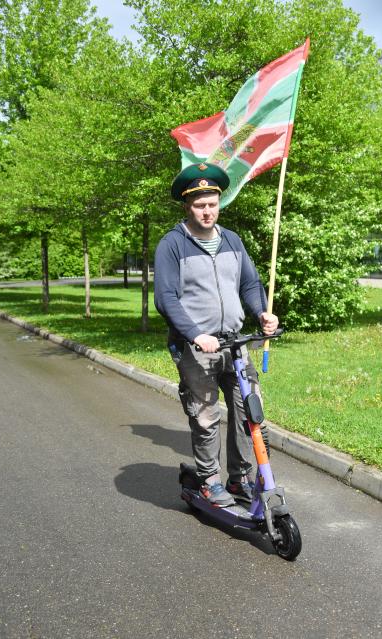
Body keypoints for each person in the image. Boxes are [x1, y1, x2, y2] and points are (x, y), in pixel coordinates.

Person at [154, 162, 278, 507]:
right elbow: (165, 298)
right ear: (187, 206)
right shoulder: (173, 244)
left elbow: (250, 283)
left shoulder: (232, 240)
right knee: (205, 415)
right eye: (199, 205)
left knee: (248, 412)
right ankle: (209, 480)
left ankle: (239, 479)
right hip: (197, 348)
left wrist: (261, 312)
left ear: (219, 203)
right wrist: (195, 333)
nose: (207, 211)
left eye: (212, 204)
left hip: (235, 344)